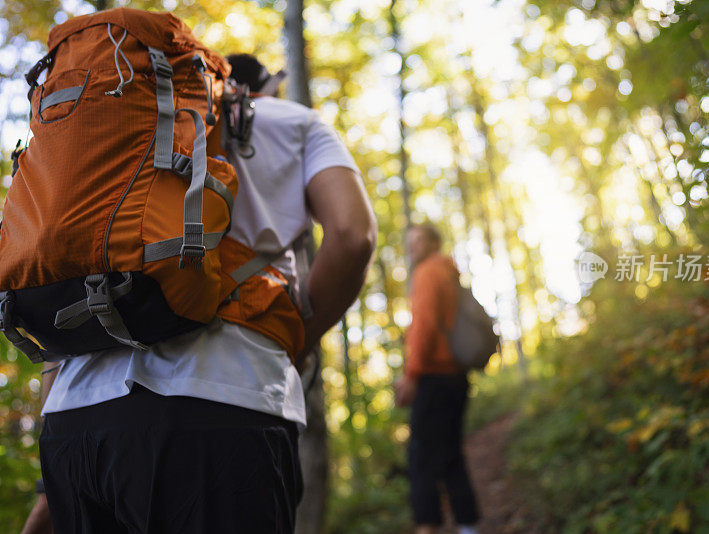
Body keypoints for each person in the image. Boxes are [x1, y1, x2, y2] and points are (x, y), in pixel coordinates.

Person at [22, 53, 376, 534]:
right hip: (227, 402)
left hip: (76, 421)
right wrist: (300, 339)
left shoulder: (121, 129)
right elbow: (354, 235)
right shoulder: (295, 122)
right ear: (264, 88)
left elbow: (68, 271)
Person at [395, 223, 480, 534]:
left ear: (433, 242)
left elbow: (425, 326)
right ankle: (468, 526)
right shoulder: (448, 271)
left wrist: (411, 375)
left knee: (420, 460)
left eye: (417, 240)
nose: (412, 247)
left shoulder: (428, 272)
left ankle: (427, 527)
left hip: (434, 377)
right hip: (457, 377)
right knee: (451, 453)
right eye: (409, 241)